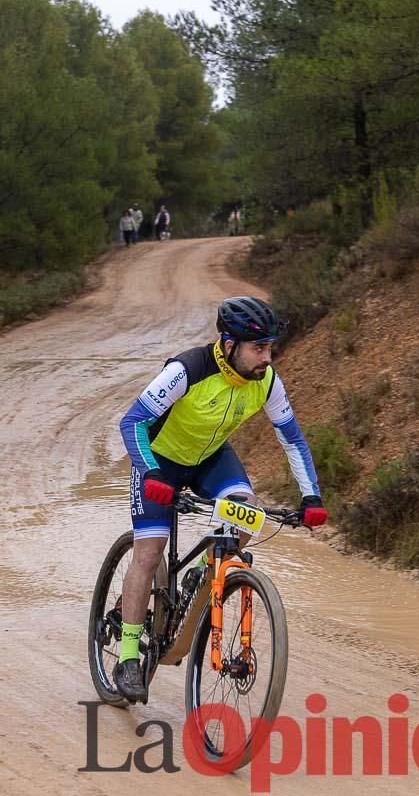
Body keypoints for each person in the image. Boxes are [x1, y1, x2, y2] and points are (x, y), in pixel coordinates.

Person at [113, 296, 328, 702]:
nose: (268, 357)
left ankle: (202, 575)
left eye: (270, 348)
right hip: (158, 461)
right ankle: (127, 656)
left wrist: (311, 496)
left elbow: (293, 439)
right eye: (258, 348)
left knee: (248, 514)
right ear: (229, 345)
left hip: (210, 459)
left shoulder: (266, 380)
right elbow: (133, 421)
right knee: (148, 553)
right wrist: (153, 473)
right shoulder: (186, 370)